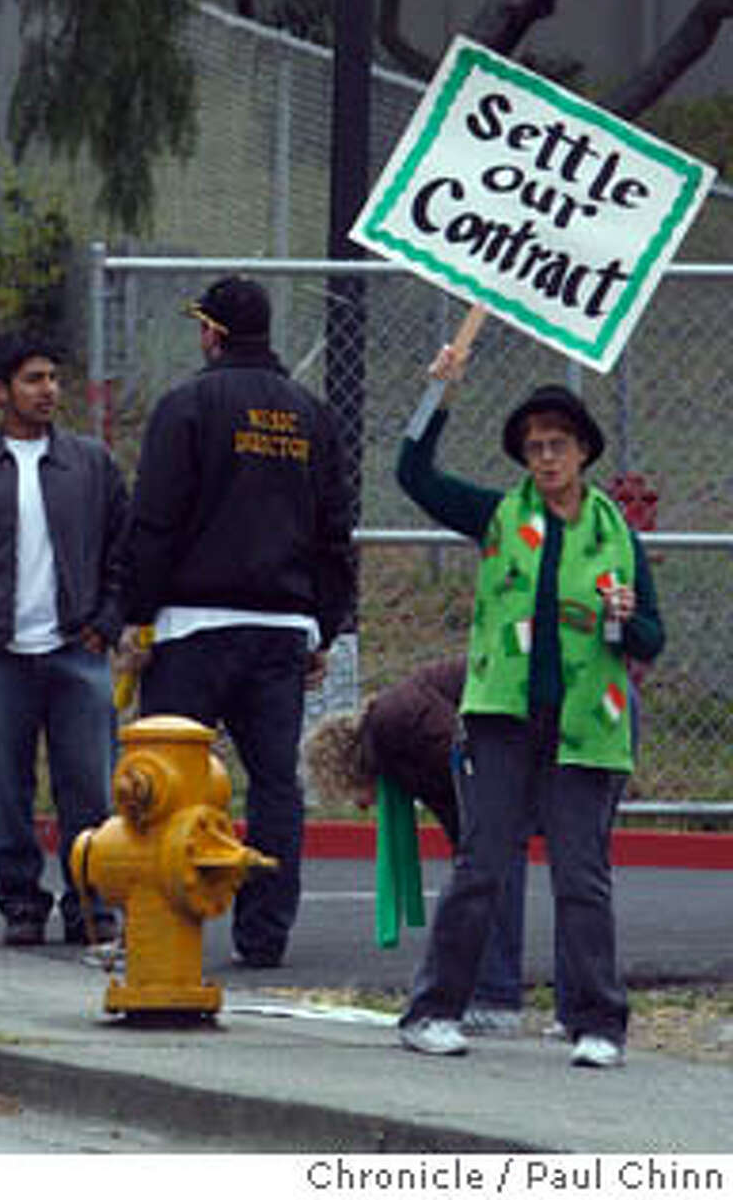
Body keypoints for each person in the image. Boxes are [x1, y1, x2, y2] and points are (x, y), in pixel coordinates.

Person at [393, 344, 664, 1069]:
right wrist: (439, 395)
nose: (545, 457)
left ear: (583, 452)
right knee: (481, 864)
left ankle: (597, 1023)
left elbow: (651, 637)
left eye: (558, 444)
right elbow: (413, 475)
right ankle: (432, 1010)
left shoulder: (616, 534)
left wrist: (627, 618)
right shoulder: (497, 516)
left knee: (581, 875)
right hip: (502, 718)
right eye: (534, 446)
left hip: (588, 724)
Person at [117, 276, 356, 969]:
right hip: (281, 628)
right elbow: (334, 531)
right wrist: (324, 625)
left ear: (213, 334)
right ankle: (265, 933)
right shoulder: (312, 415)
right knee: (275, 784)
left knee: (168, 780)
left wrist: (136, 614)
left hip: (190, 627)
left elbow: (154, 521)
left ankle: (160, 924)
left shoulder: (186, 406)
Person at [0, 330, 129, 948]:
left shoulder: (91, 464)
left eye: (52, 377)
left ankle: (91, 903)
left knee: (89, 788)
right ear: (0, 390)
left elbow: (124, 549)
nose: (48, 390)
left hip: (77, 650)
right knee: (4, 789)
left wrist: (107, 622)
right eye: (33, 379)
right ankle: (20, 901)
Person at [306, 658, 539, 1033]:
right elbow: (456, 810)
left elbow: (460, 755)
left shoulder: (393, 724)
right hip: (518, 731)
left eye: (352, 793)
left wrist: (488, 824)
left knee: (491, 866)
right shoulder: (399, 743)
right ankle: (496, 993)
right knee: (486, 868)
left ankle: (495, 997)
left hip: (521, 725)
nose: (362, 806)